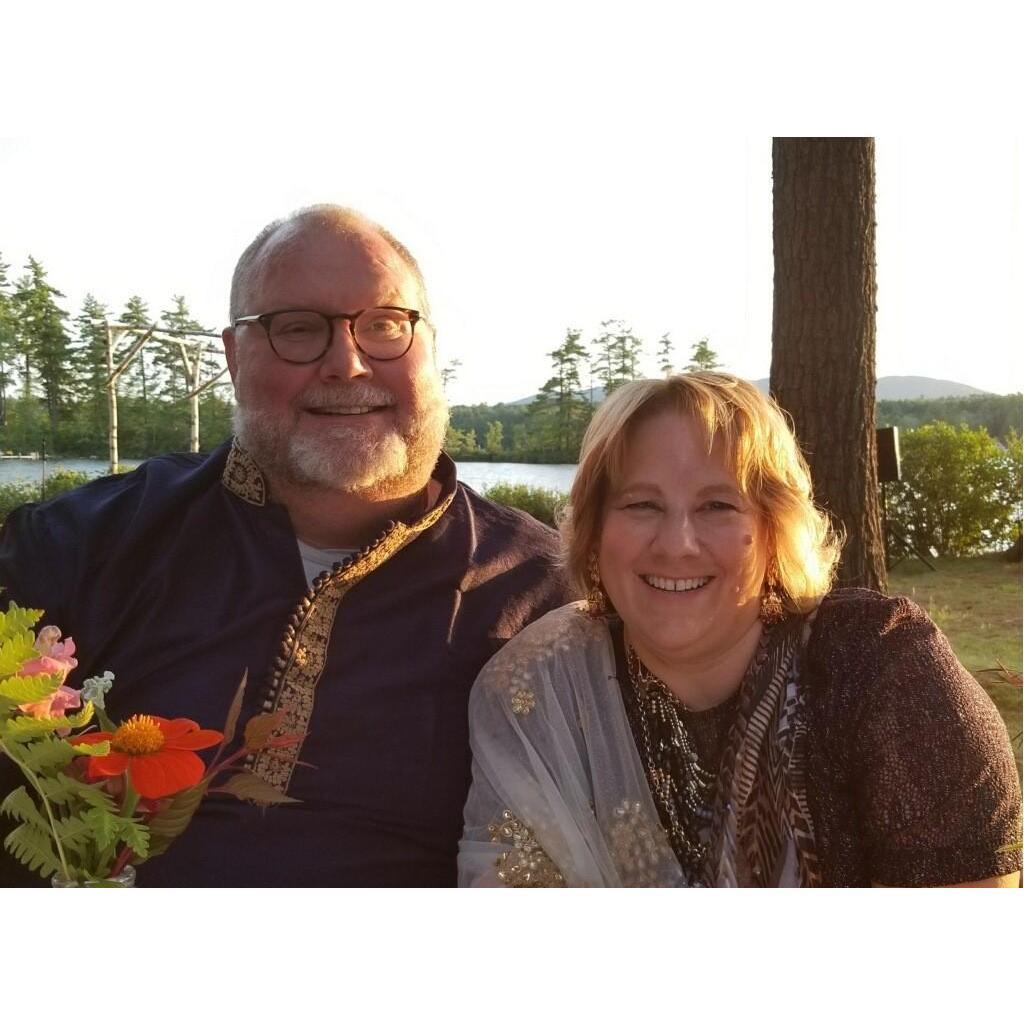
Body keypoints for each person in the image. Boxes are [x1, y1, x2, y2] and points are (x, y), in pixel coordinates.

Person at [0, 204, 573, 886]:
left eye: (385, 325)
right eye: (297, 328)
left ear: (431, 347)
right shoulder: (76, 548)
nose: (347, 364)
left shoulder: (545, 590)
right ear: (233, 357)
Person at [460, 372, 1022, 887]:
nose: (677, 544)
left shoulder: (883, 671)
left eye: (717, 506)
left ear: (775, 527)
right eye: (642, 504)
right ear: (595, 530)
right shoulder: (536, 691)